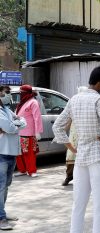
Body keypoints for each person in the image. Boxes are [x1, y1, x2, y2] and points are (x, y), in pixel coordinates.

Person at [52, 65, 100, 233]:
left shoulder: (74, 100)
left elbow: (57, 127)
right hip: (99, 158)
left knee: (78, 205)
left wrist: (72, 147)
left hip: (80, 158)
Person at [0, 89, 26, 230]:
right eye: (5, 92)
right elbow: (10, 127)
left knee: (6, 186)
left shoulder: (6, 109)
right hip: (1, 153)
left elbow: (23, 121)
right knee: (1, 186)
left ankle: (1, 212)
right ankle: (1, 218)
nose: (8, 95)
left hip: (11, 152)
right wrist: (15, 125)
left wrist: (14, 125)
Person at [14, 85, 43, 178]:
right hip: (18, 132)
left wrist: (37, 131)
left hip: (29, 133)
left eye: (22, 92)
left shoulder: (33, 102)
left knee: (29, 153)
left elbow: (37, 118)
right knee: (19, 153)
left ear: (26, 93)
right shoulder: (22, 103)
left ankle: (32, 171)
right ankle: (22, 170)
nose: (20, 94)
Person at [62, 86, 88, 186]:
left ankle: (84, 178)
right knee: (71, 155)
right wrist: (63, 131)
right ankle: (69, 177)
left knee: (85, 155)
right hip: (74, 134)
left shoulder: (89, 105)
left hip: (85, 133)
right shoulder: (74, 105)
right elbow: (69, 120)